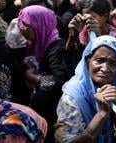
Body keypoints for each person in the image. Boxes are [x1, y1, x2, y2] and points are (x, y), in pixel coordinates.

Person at [55, 35, 116, 143]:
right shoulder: (72, 96)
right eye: (99, 60)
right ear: (88, 61)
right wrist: (102, 113)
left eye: (113, 63)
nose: (105, 69)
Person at [17, 5, 68, 142]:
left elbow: (62, 83)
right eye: (20, 22)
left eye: (26, 23)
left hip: (53, 115)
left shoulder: (56, 49)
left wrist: (35, 78)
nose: (21, 26)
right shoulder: (38, 43)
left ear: (40, 24)